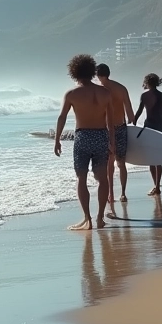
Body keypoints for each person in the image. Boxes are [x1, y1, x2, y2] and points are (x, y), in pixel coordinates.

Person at [54, 54, 115, 230]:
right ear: (92, 71)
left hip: (82, 137)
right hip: (101, 136)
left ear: (74, 73)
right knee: (102, 179)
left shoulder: (72, 94)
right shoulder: (105, 93)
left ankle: (87, 219)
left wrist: (57, 140)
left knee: (81, 177)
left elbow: (62, 117)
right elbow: (110, 122)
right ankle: (100, 218)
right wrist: (112, 142)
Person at [95, 63, 134, 204]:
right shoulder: (121, 88)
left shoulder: (99, 90)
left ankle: (109, 194)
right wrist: (134, 126)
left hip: (104, 130)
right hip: (121, 127)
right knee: (121, 163)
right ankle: (123, 193)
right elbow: (129, 110)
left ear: (97, 75)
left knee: (108, 164)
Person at [133, 73, 162, 196]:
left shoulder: (144, 95)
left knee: (151, 158)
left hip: (149, 127)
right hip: (161, 127)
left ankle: (155, 186)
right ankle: (158, 186)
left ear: (147, 82)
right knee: (158, 158)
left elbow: (139, 111)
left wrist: (133, 123)